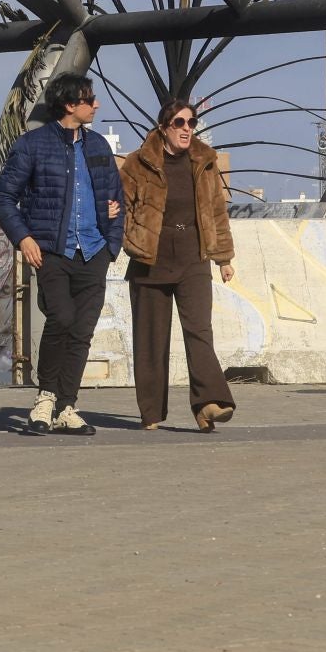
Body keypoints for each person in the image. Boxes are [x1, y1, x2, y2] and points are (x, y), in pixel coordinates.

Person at [0, 73, 125, 436]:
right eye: (89, 99)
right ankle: (45, 399)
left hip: (94, 251)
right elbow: (3, 197)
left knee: (82, 331)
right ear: (70, 104)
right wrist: (24, 239)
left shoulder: (98, 146)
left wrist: (111, 245)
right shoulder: (32, 145)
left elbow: (117, 198)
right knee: (61, 318)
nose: (96, 104)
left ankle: (67, 406)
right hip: (52, 250)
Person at [119, 98, 238, 432]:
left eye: (192, 123)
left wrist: (224, 258)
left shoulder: (205, 162)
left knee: (199, 331)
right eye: (180, 123)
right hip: (150, 259)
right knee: (150, 338)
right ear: (163, 128)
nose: (187, 129)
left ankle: (210, 403)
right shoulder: (136, 164)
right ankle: (151, 413)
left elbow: (217, 212)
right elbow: (118, 206)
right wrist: (133, 238)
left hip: (193, 256)